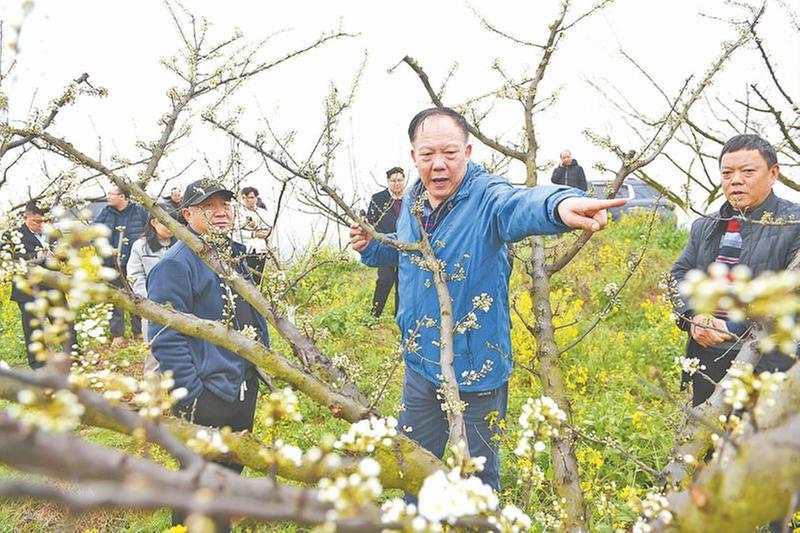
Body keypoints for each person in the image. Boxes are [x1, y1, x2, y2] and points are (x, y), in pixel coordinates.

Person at [349, 107, 624, 493]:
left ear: (468, 152)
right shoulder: (412, 200)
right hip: (421, 365)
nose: (438, 164)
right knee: (411, 466)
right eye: (427, 155)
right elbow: (402, 252)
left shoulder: (486, 196)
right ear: (414, 157)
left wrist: (560, 205)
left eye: (450, 153)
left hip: (476, 370)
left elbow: (519, 206)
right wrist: (370, 248)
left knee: (475, 482)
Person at [147, 179, 269, 531]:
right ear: (187, 214)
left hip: (242, 384)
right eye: (208, 207)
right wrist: (192, 393)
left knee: (228, 470)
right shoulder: (176, 264)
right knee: (199, 479)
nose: (220, 213)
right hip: (207, 392)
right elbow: (165, 338)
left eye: (225, 205)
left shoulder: (233, 253)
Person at [671, 134, 800, 408]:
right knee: (706, 443)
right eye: (727, 173)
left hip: (768, 364)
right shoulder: (705, 226)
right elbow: (679, 273)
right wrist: (695, 317)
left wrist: (734, 328)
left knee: (760, 446)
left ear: (773, 173)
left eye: (748, 171)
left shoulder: (794, 224)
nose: (735, 180)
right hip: (708, 359)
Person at [9, 201, 76, 368]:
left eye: (45, 221)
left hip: (53, 286)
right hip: (28, 289)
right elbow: (13, 260)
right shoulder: (12, 236)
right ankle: (39, 365)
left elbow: (67, 254)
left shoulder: (53, 232)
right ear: (25, 217)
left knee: (64, 323)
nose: (42, 225)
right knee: (34, 329)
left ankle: (75, 357)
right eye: (37, 222)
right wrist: (40, 256)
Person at [93, 186, 149, 347]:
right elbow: (92, 231)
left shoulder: (139, 212)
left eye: (112, 194)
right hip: (111, 263)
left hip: (134, 262)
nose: (108, 197)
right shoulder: (106, 212)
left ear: (123, 197)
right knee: (115, 298)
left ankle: (139, 332)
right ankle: (117, 335)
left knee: (137, 296)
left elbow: (149, 231)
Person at [127, 206, 177, 375]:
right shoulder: (141, 246)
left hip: (181, 307)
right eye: (166, 223)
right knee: (154, 356)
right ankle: (153, 397)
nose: (170, 228)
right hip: (152, 308)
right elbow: (135, 276)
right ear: (154, 222)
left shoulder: (182, 245)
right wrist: (151, 300)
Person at [366, 166, 406, 316]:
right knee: (384, 280)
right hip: (385, 246)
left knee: (402, 284)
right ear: (388, 181)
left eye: (400, 180)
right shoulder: (378, 198)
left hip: (405, 247)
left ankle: (399, 316)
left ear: (404, 181)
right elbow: (371, 222)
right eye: (393, 180)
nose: (397, 183)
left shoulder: (410, 198)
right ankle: (374, 314)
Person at [235, 186, 271, 285]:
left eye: (251, 197)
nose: (249, 200)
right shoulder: (238, 213)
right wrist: (253, 233)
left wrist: (258, 228)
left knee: (258, 278)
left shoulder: (263, 212)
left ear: (256, 198)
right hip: (245, 248)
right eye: (246, 198)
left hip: (261, 249)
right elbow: (236, 232)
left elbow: (268, 229)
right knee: (245, 277)